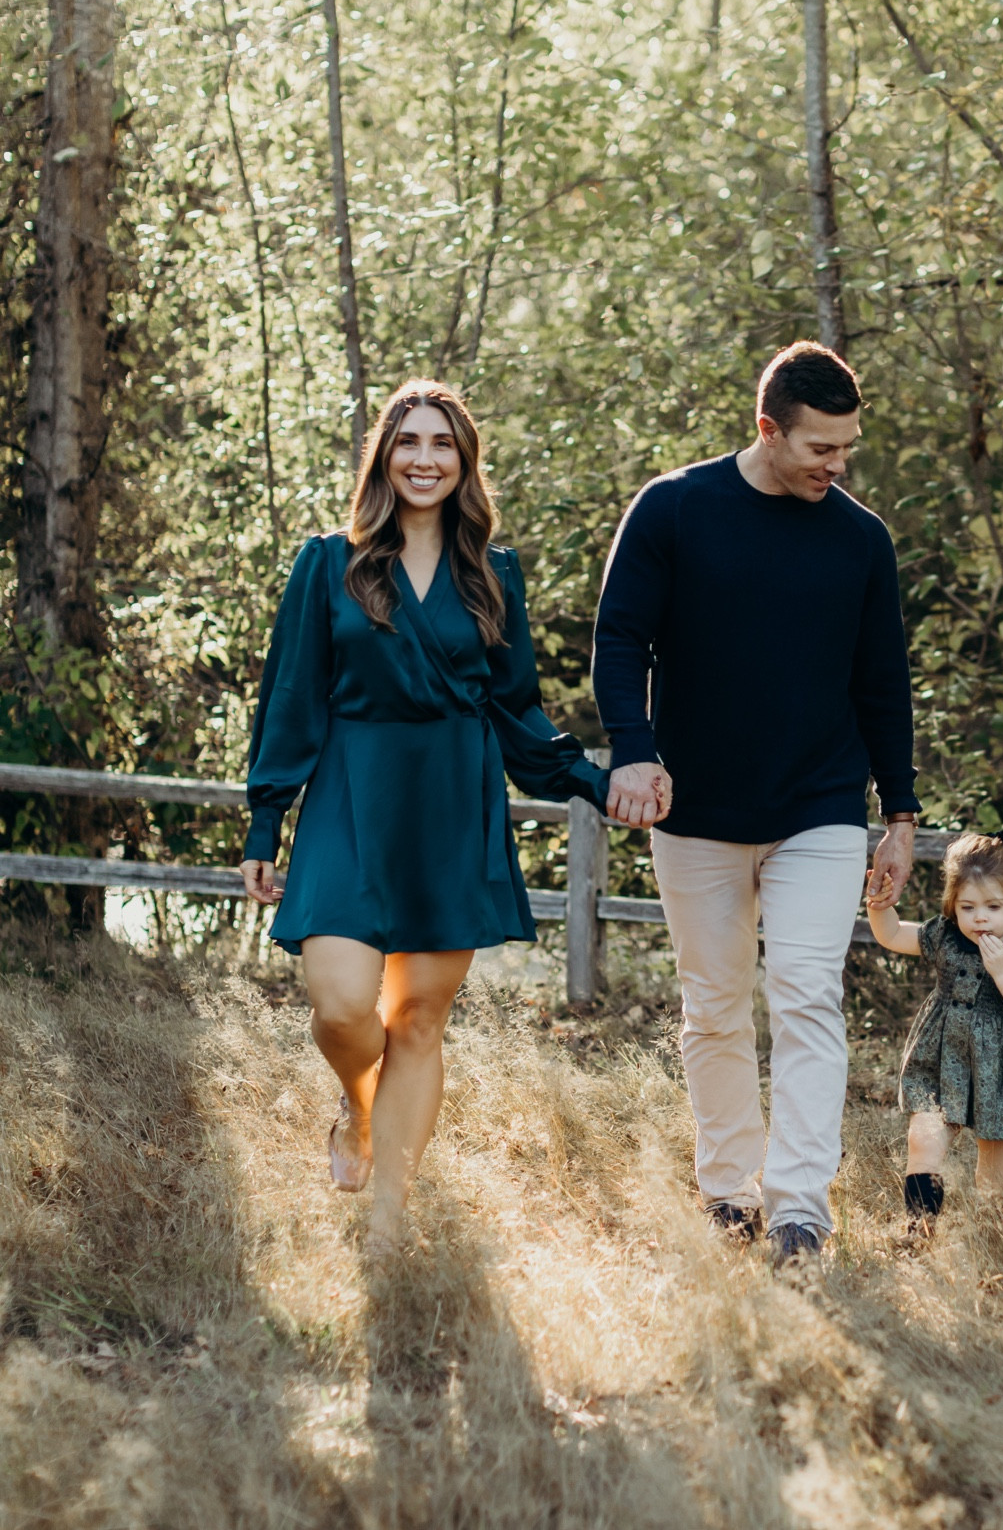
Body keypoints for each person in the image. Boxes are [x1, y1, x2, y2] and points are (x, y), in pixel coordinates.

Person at [240, 380, 610, 1250]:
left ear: (464, 462)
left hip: (452, 800)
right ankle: (357, 1104)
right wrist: (265, 819)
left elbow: (516, 710)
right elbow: (291, 697)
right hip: (350, 793)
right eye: (409, 441)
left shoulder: (493, 573)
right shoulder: (327, 562)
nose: (425, 458)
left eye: (443, 444)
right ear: (384, 456)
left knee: (416, 1021)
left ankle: (388, 1222)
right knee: (342, 1006)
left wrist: (597, 782)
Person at [593, 341, 918, 1267]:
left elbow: (882, 682)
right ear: (768, 428)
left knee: (808, 996)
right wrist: (635, 751)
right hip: (695, 812)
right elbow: (620, 639)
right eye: (821, 447)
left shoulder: (861, 540)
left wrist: (899, 813)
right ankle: (729, 1192)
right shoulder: (674, 508)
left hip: (819, 806)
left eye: (848, 448)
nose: (837, 465)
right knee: (715, 1004)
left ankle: (799, 1210)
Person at [866, 829, 1003, 1239]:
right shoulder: (945, 937)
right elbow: (892, 935)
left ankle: (992, 1242)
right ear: (953, 905)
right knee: (924, 1141)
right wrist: (880, 905)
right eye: (967, 907)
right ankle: (918, 1231)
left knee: (995, 1179)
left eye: (993, 906)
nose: (980, 917)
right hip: (941, 1059)